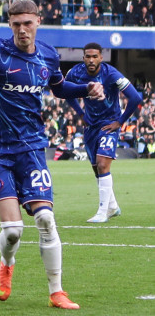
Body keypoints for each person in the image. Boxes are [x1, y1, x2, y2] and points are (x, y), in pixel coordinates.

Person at [0, 0, 103, 311]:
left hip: (32, 148)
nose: (22, 30)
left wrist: (86, 89)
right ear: (10, 25)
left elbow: (59, 88)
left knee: (45, 218)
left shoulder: (48, 54)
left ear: (37, 22)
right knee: (14, 231)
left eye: (27, 23)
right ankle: (7, 262)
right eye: (16, 24)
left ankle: (56, 292)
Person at [64, 42, 143, 224]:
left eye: (95, 56)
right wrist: (81, 113)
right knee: (96, 169)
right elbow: (64, 91)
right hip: (91, 126)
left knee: (102, 165)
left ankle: (102, 212)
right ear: (83, 58)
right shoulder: (75, 73)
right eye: (88, 56)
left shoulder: (111, 74)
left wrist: (120, 122)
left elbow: (135, 97)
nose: (91, 60)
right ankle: (113, 206)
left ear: (101, 58)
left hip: (109, 125)